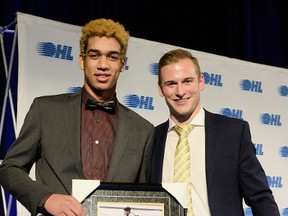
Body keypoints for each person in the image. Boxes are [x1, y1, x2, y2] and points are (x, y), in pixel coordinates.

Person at [0, 18, 154, 216]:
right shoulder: (46, 110)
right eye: (94, 55)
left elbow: (143, 198)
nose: (103, 65)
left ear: (122, 64)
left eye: (112, 57)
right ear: (82, 60)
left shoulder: (143, 130)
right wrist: (46, 198)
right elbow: (10, 169)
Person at [150, 49, 280, 216]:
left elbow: (260, 197)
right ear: (160, 89)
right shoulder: (151, 138)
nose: (180, 91)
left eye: (187, 81)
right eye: (171, 84)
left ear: (201, 82)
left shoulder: (233, 133)